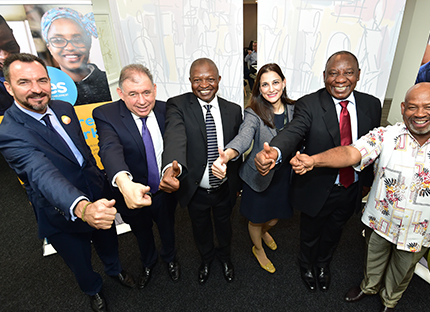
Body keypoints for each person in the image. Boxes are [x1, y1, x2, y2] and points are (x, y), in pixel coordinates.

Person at [290, 82, 430, 311]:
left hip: (419, 232)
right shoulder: (386, 135)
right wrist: (313, 160)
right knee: (372, 260)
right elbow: (352, 152)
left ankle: (389, 301)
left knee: (402, 271)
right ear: (402, 108)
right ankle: (368, 287)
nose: (419, 114)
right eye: (412, 107)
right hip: (381, 222)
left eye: (428, 107)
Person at [0, 53, 135, 312]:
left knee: (109, 241)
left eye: (42, 80)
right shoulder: (9, 134)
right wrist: (82, 208)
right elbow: (41, 173)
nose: (36, 89)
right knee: (79, 261)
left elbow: (82, 151)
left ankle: (114, 270)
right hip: (60, 211)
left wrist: (100, 179)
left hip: (97, 195)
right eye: (24, 82)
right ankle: (93, 290)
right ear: (8, 87)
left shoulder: (63, 108)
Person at [255, 51, 382, 292]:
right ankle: (306, 264)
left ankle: (323, 264)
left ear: (358, 76)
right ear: (324, 76)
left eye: (348, 73)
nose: (340, 79)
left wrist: (367, 181)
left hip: (352, 186)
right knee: (310, 232)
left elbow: (373, 146)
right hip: (319, 186)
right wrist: (275, 151)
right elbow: (294, 131)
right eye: (333, 73)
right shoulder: (310, 104)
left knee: (336, 230)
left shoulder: (372, 105)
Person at [93, 64, 179, 289]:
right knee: (141, 232)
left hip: (164, 190)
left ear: (155, 90)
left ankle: (170, 259)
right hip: (132, 193)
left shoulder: (167, 109)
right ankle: (149, 262)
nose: (142, 101)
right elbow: (109, 148)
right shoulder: (105, 114)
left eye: (146, 92)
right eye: (133, 94)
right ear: (121, 93)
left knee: (168, 227)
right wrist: (124, 182)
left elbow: (176, 143)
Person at [160, 58, 243, 284]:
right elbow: (175, 136)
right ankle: (206, 259)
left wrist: (237, 184)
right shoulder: (177, 105)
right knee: (200, 228)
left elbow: (238, 148)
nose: (204, 85)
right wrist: (170, 166)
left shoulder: (234, 110)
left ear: (219, 80)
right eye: (197, 80)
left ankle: (225, 258)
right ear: (190, 81)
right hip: (195, 189)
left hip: (225, 189)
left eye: (209, 79)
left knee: (225, 226)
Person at [212, 63, 295, 274]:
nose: (271, 89)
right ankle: (258, 248)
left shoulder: (296, 109)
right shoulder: (253, 113)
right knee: (256, 219)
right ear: (258, 89)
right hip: (258, 176)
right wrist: (228, 154)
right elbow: (243, 137)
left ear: (284, 83)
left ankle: (265, 232)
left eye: (275, 82)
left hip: (284, 175)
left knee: (275, 217)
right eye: (264, 85)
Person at [41, 7, 111, 105]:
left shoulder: (110, 82)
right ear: (49, 48)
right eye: (58, 40)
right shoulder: (46, 92)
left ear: (89, 43)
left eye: (77, 40)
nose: (69, 47)